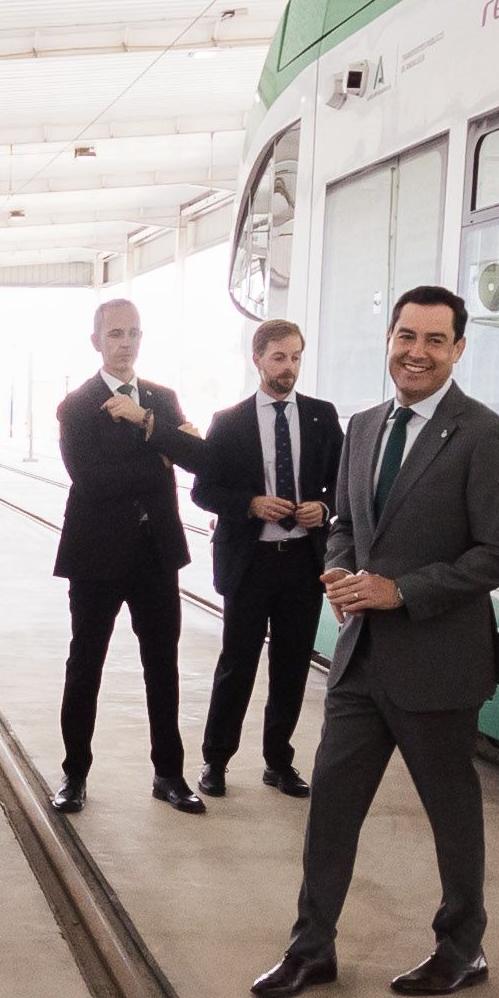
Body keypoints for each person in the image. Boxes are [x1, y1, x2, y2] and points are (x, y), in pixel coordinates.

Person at [255, 286, 499, 998]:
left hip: (439, 662)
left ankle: (462, 948)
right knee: (331, 810)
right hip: (360, 658)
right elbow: (347, 520)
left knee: (452, 814)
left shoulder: (484, 435)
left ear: (459, 349)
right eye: (407, 336)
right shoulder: (366, 424)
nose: (417, 352)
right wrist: (343, 566)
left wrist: (400, 590)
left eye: (436, 340)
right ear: (389, 339)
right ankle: (311, 948)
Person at [51, 296, 213, 813]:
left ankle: (169, 774)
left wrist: (147, 423)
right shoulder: (76, 406)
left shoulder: (160, 400)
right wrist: (162, 450)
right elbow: (93, 481)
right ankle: (74, 775)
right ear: (96, 341)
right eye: (115, 333)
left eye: (134, 334)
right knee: (86, 667)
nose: (125, 343)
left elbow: (202, 461)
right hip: (96, 557)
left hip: (156, 555)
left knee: (162, 666)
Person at [191, 317, 340, 799]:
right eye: (279, 358)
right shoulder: (229, 422)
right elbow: (204, 491)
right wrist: (251, 504)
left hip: (301, 562)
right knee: (236, 664)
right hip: (250, 562)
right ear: (257, 359)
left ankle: (279, 761)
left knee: (292, 665)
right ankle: (216, 761)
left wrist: (326, 506)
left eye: (296, 357)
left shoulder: (321, 416)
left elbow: (343, 483)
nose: (289, 368)